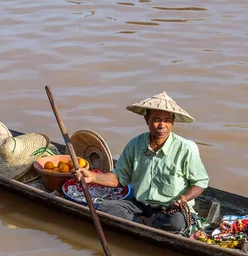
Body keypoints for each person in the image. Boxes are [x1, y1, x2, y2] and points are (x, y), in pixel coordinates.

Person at [75, 91, 209, 232]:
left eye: (167, 120)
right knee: (104, 207)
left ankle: (142, 222)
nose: (162, 125)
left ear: (173, 121)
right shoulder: (135, 144)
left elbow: (200, 182)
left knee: (177, 222)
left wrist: (184, 198)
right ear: (147, 120)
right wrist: (93, 176)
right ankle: (144, 221)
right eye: (156, 119)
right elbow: (120, 177)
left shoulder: (186, 148)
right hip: (140, 204)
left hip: (170, 209)